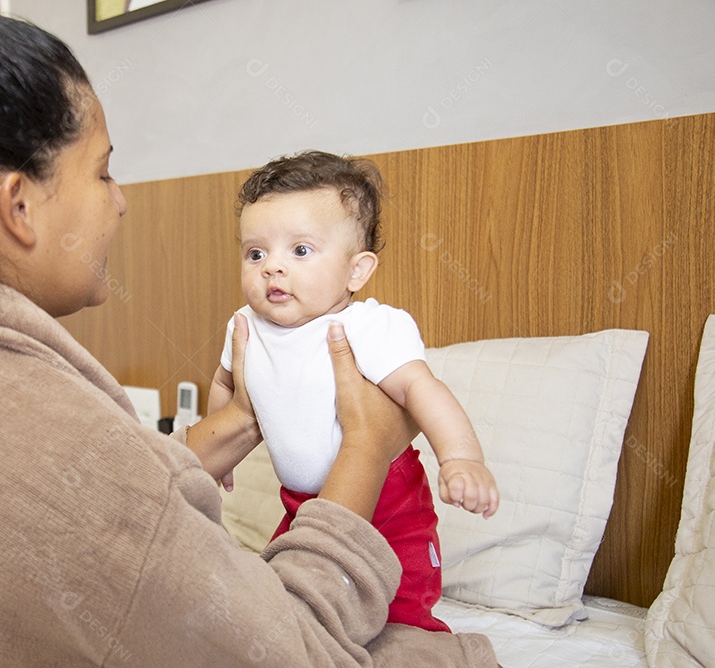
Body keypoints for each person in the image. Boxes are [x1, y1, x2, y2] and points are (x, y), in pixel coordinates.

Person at [0, 6, 522, 668]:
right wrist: (366, 446)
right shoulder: (28, 422)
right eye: (103, 169)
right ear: (19, 207)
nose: (121, 200)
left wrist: (243, 418)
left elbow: (105, 511)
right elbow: (290, 658)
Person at [208, 151, 499, 633]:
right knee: (288, 602)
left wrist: (462, 457)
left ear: (356, 271)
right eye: (256, 253)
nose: (271, 268)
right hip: (303, 507)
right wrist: (221, 456)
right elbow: (225, 385)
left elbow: (421, 388)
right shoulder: (245, 327)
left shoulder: (366, 325)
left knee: (400, 613)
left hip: (391, 506)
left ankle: (421, 654)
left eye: (300, 251)